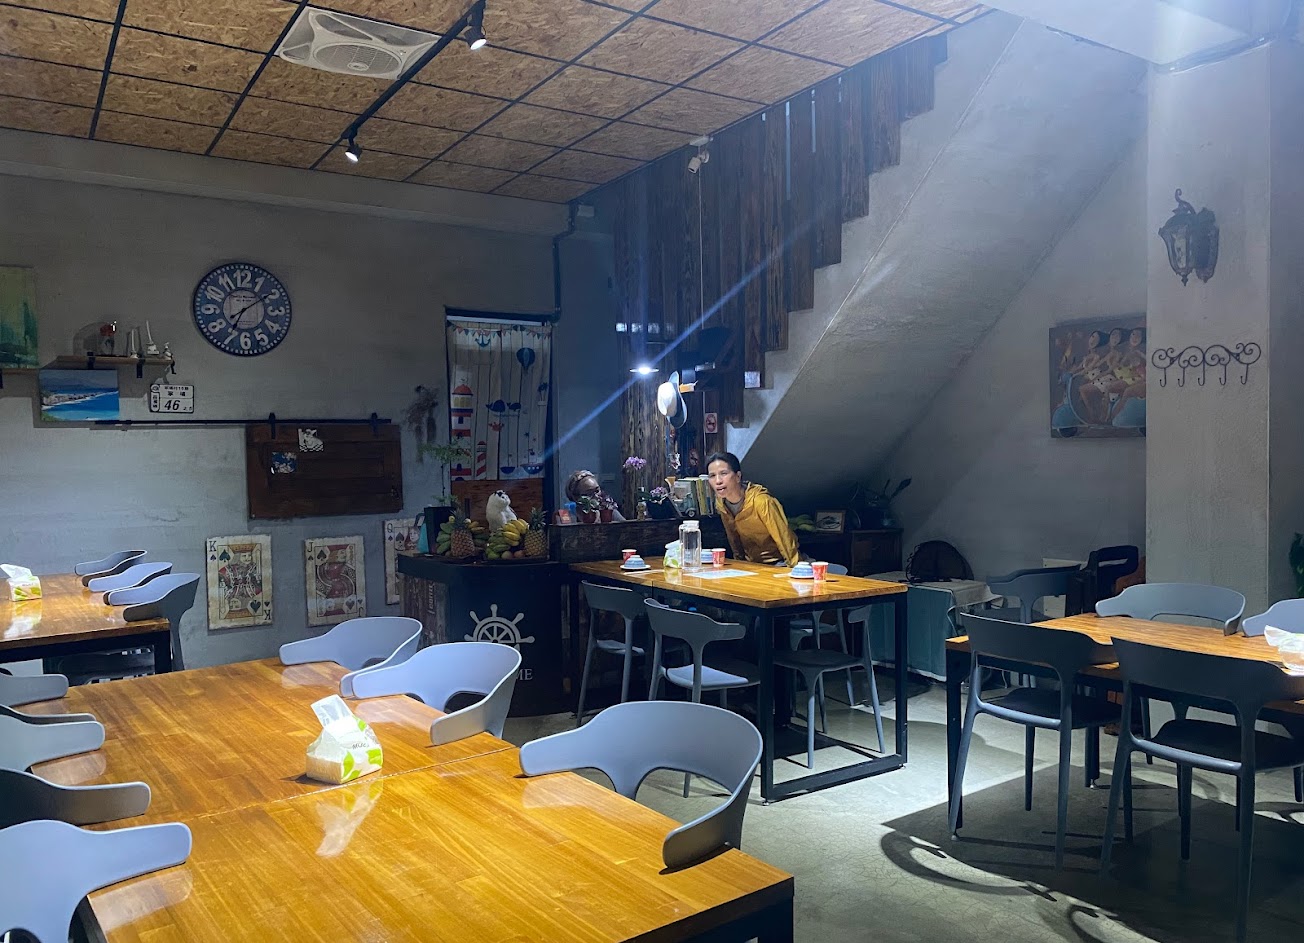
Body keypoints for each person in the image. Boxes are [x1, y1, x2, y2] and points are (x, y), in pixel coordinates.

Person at [706, 451, 800, 566]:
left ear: (738, 476)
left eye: (723, 473)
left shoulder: (761, 501)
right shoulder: (721, 503)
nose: (718, 481)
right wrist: (739, 564)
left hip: (778, 562)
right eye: (712, 476)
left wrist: (795, 568)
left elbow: (784, 538)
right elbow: (733, 537)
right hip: (751, 563)